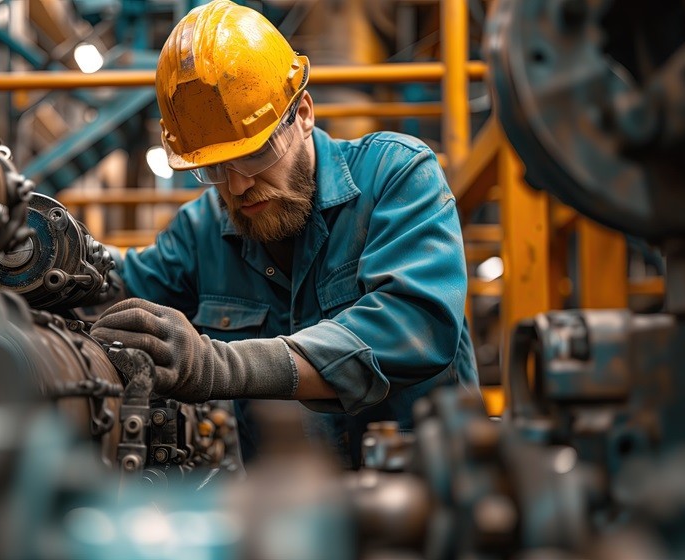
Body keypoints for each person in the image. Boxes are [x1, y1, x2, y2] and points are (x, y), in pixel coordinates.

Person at [89, 0, 479, 467]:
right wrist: (39, 252)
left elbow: (413, 329)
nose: (237, 186)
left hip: (426, 506)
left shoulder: (396, 175)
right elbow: (110, 285)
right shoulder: (201, 232)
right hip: (286, 519)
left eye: (254, 155)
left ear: (305, 112)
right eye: (214, 169)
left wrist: (223, 366)